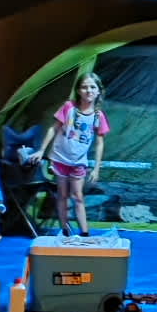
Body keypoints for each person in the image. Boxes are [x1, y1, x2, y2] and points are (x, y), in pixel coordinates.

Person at [31, 74, 109, 238]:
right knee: (63, 195)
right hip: (60, 159)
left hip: (78, 162)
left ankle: (85, 232)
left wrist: (96, 169)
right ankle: (65, 230)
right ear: (79, 90)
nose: (88, 90)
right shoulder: (69, 107)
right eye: (84, 87)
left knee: (78, 196)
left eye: (92, 87)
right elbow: (53, 128)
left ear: (98, 91)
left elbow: (100, 142)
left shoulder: (97, 116)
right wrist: (41, 150)